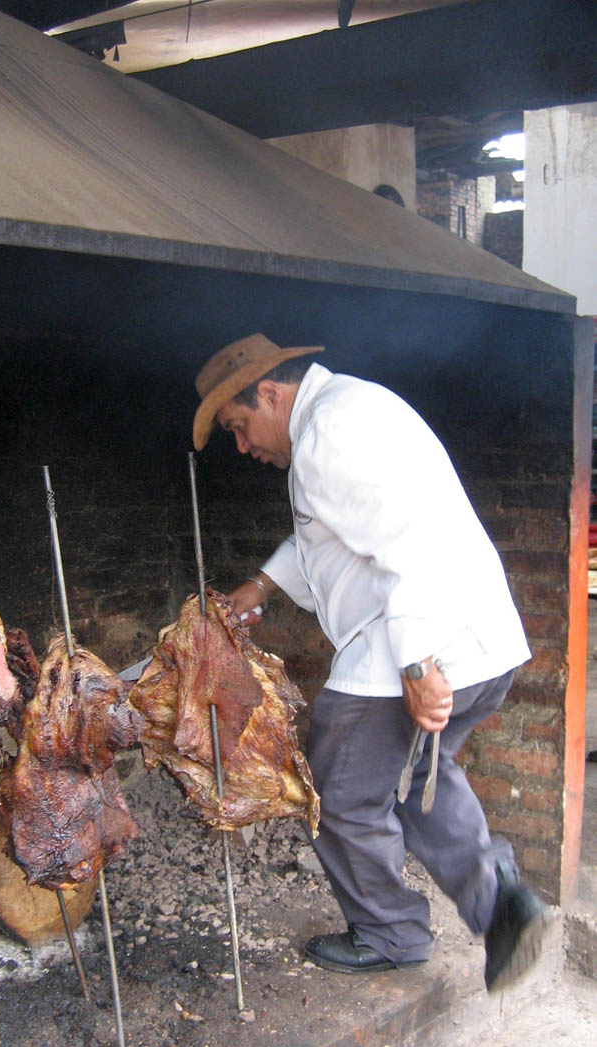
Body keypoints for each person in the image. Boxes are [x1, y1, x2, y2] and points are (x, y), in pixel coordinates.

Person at [192, 333, 552, 992]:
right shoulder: (347, 411)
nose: (241, 447)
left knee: (339, 793)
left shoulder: (329, 435)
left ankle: (391, 933)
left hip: (416, 649)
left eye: (238, 426)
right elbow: (331, 537)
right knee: (418, 779)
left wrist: (417, 666)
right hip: (481, 642)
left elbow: (406, 541)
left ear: (270, 393)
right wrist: (261, 586)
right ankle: (504, 905)